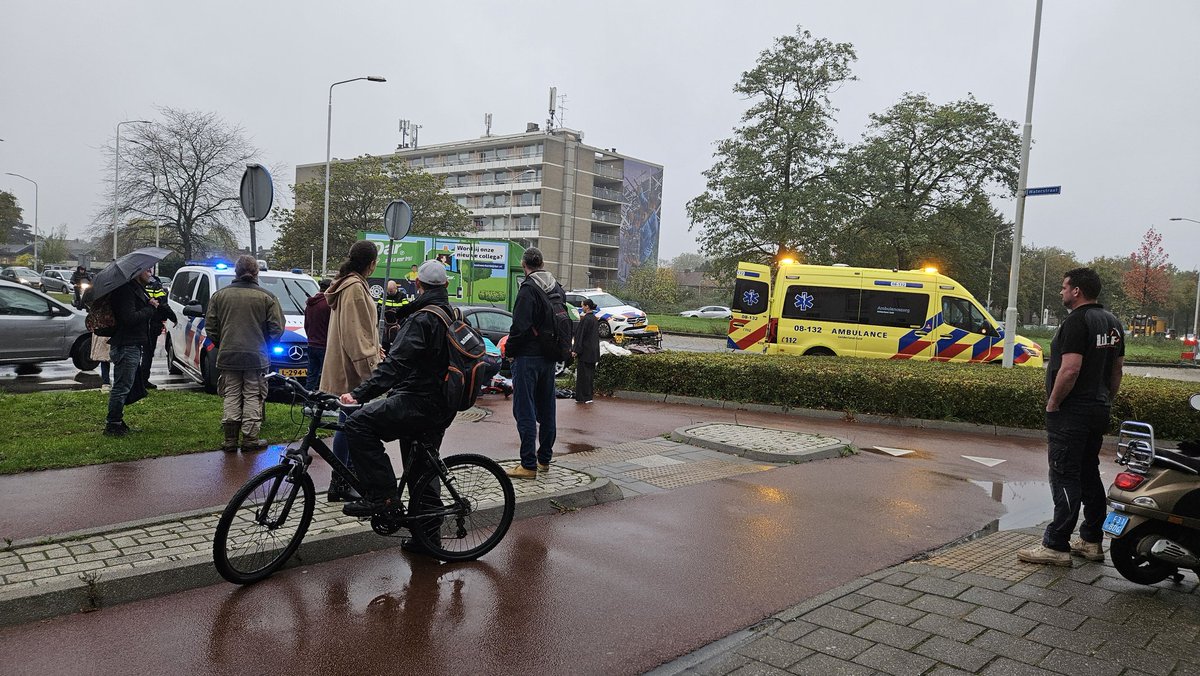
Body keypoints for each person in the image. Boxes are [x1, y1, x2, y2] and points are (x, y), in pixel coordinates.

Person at [338, 260, 458, 527]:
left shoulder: (423, 318)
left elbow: (395, 366)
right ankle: (427, 536)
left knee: (358, 423)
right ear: (446, 285)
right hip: (442, 402)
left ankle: (383, 497)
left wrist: (360, 394)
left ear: (418, 284)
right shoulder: (450, 313)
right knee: (421, 469)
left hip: (420, 401)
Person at [1018, 267, 1125, 567]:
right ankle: (1091, 540)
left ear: (1077, 291)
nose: (1062, 292)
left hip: (1072, 411)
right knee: (1088, 470)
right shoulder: (1113, 323)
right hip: (1098, 409)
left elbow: (1070, 369)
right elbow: (1116, 372)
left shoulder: (1077, 322)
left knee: (1064, 472)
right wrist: (1105, 400)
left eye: (1064, 287)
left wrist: (1053, 402)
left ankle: (1056, 544)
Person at [320, 240, 382, 502]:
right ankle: (341, 481)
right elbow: (356, 336)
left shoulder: (348, 284)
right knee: (349, 423)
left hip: (346, 364)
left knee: (348, 423)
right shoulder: (355, 287)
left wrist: (377, 349)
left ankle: (346, 476)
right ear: (371, 263)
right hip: (353, 370)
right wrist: (372, 373)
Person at [205, 255, 285, 453]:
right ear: (256, 272)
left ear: (236, 271)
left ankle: (230, 439)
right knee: (253, 395)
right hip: (256, 356)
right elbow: (277, 329)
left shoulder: (219, 296)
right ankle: (250, 438)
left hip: (228, 355)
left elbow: (211, 326)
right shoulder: (267, 297)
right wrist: (265, 344)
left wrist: (222, 343)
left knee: (231, 394)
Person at [505, 247, 563, 479]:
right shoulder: (556, 287)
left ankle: (528, 465)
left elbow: (519, 327)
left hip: (527, 357)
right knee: (548, 409)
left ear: (524, 264)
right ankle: (544, 460)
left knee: (525, 410)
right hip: (549, 357)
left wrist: (510, 352)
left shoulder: (528, 289)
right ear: (542, 262)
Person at [104, 267, 170, 436]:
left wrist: (150, 304)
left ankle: (117, 420)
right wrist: (150, 309)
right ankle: (113, 424)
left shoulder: (135, 288)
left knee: (125, 385)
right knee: (122, 386)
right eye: (147, 270)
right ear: (136, 272)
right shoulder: (126, 290)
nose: (151, 273)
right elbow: (129, 318)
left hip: (132, 343)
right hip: (126, 344)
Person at [139, 274, 171, 390]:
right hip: (151, 324)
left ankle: (138, 380)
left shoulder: (133, 284)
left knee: (138, 353)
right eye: (147, 270)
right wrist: (171, 316)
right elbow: (162, 304)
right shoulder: (154, 284)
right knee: (147, 353)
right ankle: (143, 380)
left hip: (140, 324)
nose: (149, 272)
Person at [304, 278, 333, 391]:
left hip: (311, 344)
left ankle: (308, 403)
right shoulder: (328, 304)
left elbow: (306, 324)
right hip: (325, 345)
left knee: (311, 376)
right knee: (326, 377)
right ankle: (324, 402)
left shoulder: (310, 304)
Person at [573, 298, 600, 403]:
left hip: (585, 352)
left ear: (587, 306)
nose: (582, 308)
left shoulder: (585, 319)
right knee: (589, 376)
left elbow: (580, 336)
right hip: (593, 352)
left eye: (583, 306)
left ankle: (582, 397)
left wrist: (575, 350)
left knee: (582, 376)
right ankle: (589, 396)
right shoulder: (594, 318)